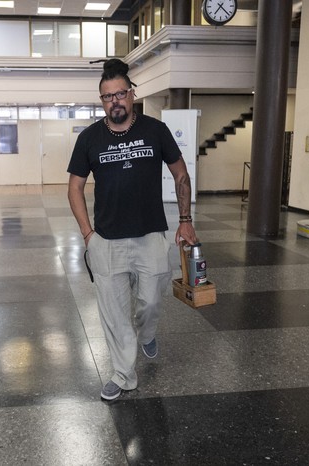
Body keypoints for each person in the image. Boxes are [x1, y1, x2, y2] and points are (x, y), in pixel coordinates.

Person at [67, 59, 198, 401]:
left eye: (121, 94)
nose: (115, 101)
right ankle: (123, 375)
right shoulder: (90, 138)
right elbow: (74, 188)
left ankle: (148, 333)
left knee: (151, 302)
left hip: (150, 235)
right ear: (102, 100)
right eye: (108, 96)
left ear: (132, 94)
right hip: (107, 241)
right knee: (114, 315)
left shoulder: (155, 130)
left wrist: (185, 221)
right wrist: (87, 235)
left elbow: (180, 174)